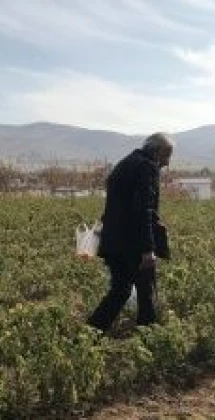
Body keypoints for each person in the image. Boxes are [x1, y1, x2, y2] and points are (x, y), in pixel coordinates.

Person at [87, 133, 173, 331]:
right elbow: (143, 210)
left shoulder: (125, 163)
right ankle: (148, 337)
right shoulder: (147, 167)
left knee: (120, 291)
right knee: (145, 292)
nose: (167, 162)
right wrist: (148, 249)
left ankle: (90, 334)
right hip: (133, 243)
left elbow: (118, 204)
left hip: (114, 241)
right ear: (157, 151)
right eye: (167, 155)